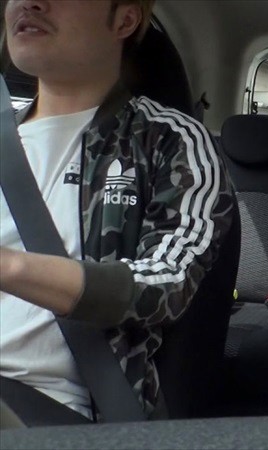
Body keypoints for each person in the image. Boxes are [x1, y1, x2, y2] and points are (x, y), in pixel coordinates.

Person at [0, 0, 234, 421]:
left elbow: (169, 280)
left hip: (54, 407)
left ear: (124, 20)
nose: (28, 2)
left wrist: (11, 268)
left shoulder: (169, 141)